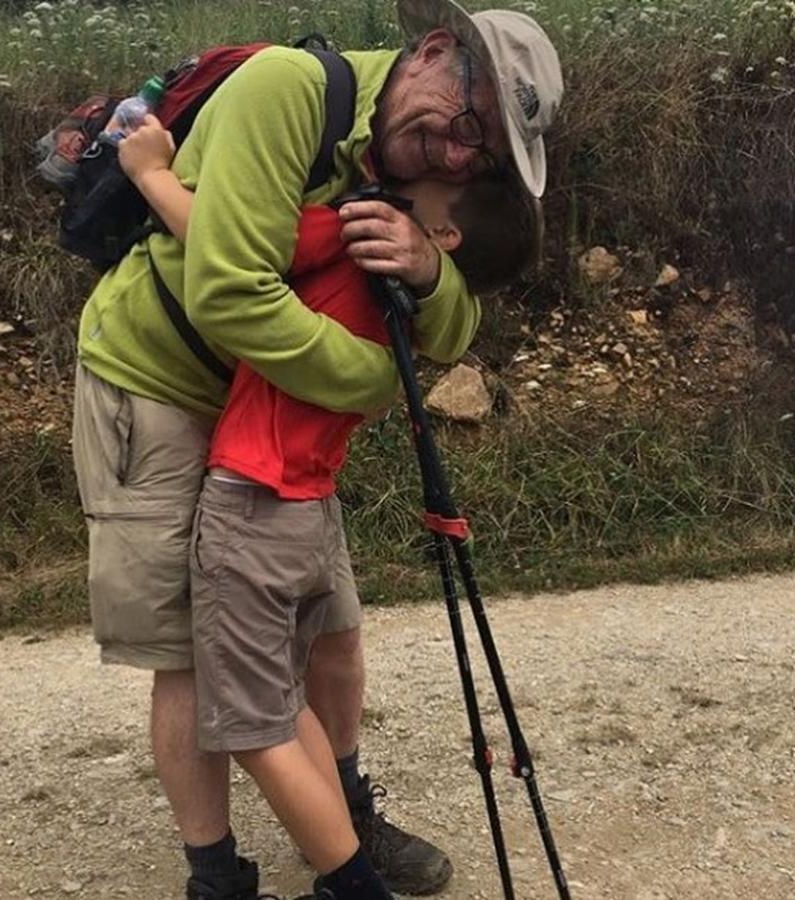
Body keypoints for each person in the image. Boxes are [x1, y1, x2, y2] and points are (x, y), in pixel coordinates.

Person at [71, 1, 562, 897]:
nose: (457, 157)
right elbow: (230, 296)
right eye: (463, 127)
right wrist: (386, 382)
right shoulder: (288, 92)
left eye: (480, 156)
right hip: (160, 385)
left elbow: (454, 324)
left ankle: (341, 820)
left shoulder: (413, 185)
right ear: (435, 54)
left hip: (271, 429)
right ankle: (214, 871)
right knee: (186, 648)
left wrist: (424, 268)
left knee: (331, 631)